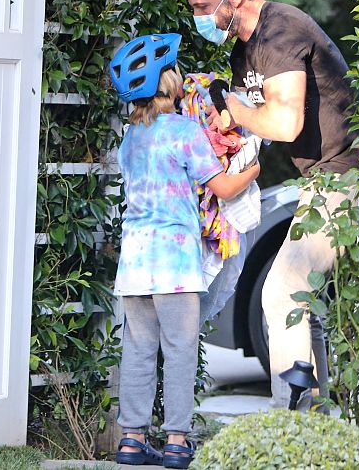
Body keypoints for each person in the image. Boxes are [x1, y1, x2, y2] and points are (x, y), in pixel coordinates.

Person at [178, 0, 359, 411]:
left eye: (203, 6)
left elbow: (284, 124)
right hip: (321, 178)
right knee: (300, 302)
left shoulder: (281, 31)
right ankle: (315, 422)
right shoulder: (245, 51)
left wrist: (235, 109)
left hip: (351, 174)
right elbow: (250, 126)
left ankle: (289, 424)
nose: (199, 17)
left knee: (282, 290)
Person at [109, 33, 260, 468]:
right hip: (175, 263)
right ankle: (176, 440)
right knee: (179, 348)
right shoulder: (184, 132)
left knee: (139, 349)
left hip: (135, 264)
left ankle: (132, 439)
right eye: (175, 71)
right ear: (167, 82)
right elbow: (224, 187)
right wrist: (252, 168)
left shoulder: (130, 137)